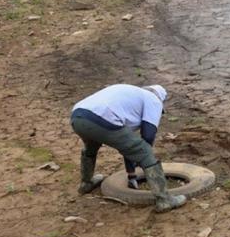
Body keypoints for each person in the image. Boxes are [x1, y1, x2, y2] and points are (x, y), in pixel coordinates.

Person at [69, 84, 186, 213]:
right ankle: (165, 200)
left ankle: (86, 183)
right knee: (145, 151)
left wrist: (132, 174)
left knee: (90, 147)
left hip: (77, 116)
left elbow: (127, 143)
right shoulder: (153, 99)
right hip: (103, 118)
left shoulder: (130, 95)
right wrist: (141, 159)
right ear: (160, 99)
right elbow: (147, 136)